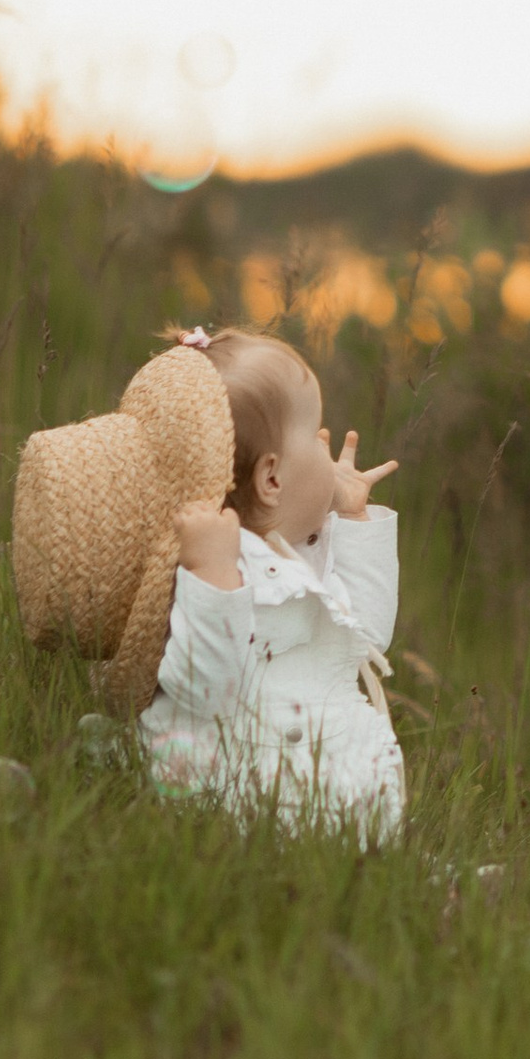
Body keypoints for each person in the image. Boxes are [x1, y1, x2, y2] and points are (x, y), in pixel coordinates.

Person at [140, 328, 405, 837]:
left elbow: (369, 634)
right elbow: (202, 691)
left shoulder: (307, 549)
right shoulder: (217, 565)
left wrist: (353, 519)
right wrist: (215, 581)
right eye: (315, 436)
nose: (330, 453)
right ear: (272, 479)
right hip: (251, 804)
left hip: (325, 791)